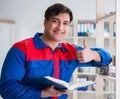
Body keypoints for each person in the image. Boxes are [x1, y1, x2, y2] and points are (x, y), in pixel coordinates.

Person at [0, 3, 112, 99]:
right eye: (55, 21)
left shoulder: (71, 51)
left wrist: (94, 54)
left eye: (65, 23)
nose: (60, 27)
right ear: (45, 22)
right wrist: (42, 93)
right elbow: (7, 89)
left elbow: (108, 58)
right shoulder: (21, 49)